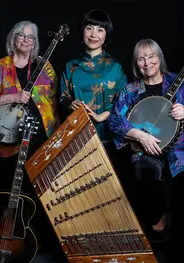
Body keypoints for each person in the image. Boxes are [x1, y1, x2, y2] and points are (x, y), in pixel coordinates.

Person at [108, 39, 184, 263]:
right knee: (144, 176)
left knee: (181, 204)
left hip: (181, 154)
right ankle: (156, 216)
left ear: (159, 57)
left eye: (151, 56)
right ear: (136, 63)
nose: (147, 63)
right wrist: (139, 135)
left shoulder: (181, 84)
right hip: (146, 151)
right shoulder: (131, 90)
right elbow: (115, 120)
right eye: (141, 59)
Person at [0, 20, 60, 248]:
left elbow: (54, 99)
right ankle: (10, 236)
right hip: (10, 138)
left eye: (30, 36)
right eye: (21, 35)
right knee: (12, 188)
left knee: (42, 187)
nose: (26, 40)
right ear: (13, 39)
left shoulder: (45, 66)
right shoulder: (0, 67)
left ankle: (39, 239)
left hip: (40, 136)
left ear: (35, 42)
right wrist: (13, 97)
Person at [59, 9, 128, 180]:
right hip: (79, 137)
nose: (93, 34)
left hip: (109, 138)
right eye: (89, 28)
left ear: (106, 35)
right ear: (82, 31)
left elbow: (125, 102)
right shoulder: (71, 66)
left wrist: (101, 116)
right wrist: (70, 104)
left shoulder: (115, 67)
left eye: (100, 30)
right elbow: (62, 97)